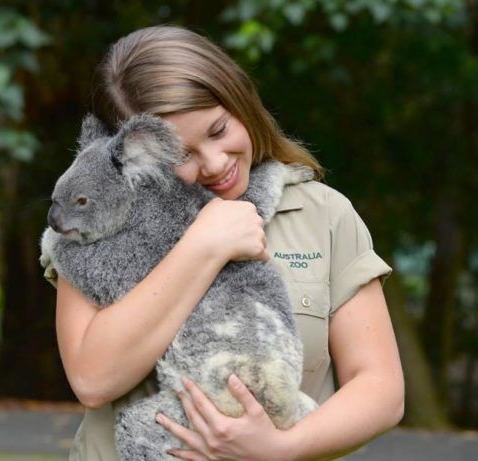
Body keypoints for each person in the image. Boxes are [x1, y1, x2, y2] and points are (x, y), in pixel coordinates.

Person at [42, 25, 404, 460]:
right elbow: (93, 380)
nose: (214, 164)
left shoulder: (323, 214)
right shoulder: (94, 229)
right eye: (182, 155)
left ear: (240, 101)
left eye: (217, 131)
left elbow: (382, 389)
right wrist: (203, 246)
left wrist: (281, 448)